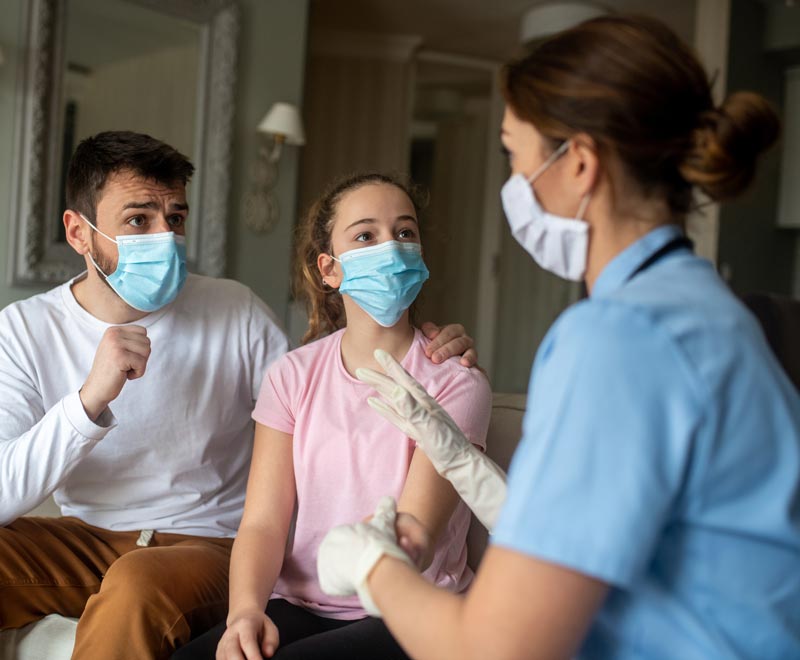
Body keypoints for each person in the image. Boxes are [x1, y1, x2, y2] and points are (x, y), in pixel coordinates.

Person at [316, 15, 800, 660]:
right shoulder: (706, 306)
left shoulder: (618, 338)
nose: (513, 186)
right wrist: (461, 461)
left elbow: (493, 649)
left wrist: (373, 568)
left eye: (514, 156)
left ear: (577, 163)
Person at [0, 132, 477, 660]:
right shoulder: (23, 328)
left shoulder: (235, 310)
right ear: (78, 232)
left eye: (175, 218)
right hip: (86, 538)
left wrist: (434, 352)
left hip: (205, 543)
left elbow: (324, 401)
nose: (165, 238)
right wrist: (87, 402)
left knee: (137, 584)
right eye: (139, 220)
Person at [172, 172, 492, 660]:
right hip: (301, 601)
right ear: (330, 268)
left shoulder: (456, 382)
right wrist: (244, 613)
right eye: (366, 235)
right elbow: (263, 523)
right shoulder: (292, 375)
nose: (391, 247)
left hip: (407, 610)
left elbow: (414, 535)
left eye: (405, 233)